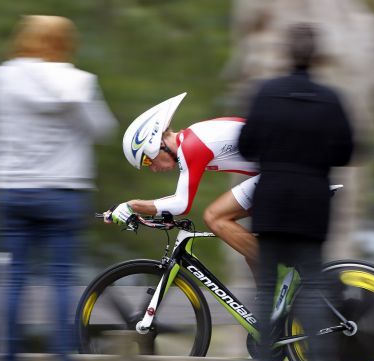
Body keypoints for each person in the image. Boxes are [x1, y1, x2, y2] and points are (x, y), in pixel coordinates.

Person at [0, 15, 118, 361]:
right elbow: (101, 128)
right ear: (64, 43)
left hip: (10, 188)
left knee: (14, 278)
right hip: (62, 191)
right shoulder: (78, 82)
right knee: (61, 279)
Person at [238, 23, 354, 361]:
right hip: (311, 205)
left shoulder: (264, 92)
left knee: (267, 286)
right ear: (316, 57)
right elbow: (347, 153)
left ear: (286, 53)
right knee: (314, 287)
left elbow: (246, 146)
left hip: (272, 200)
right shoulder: (332, 99)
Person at [105, 93, 260, 277]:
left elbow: (182, 204)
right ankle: (271, 299)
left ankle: (276, 274)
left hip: (280, 171)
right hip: (278, 170)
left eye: (147, 161)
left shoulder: (191, 146)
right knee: (246, 244)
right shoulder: (192, 138)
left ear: (156, 144)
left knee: (215, 217)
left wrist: (133, 206)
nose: (153, 169)